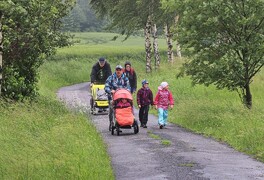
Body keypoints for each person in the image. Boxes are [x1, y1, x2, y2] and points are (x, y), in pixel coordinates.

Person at [105, 65, 131, 132]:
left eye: (120, 70)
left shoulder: (125, 78)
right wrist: (110, 91)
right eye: (117, 70)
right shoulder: (111, 78)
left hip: (123, 97)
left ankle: (127, 121)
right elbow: (106, 86)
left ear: (122, 71)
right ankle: (112, 123)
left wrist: (126, 91)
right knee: (112, 110)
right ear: (115, 70)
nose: (118, 71)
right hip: (113, 97)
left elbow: (128, 87)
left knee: (126, 108)